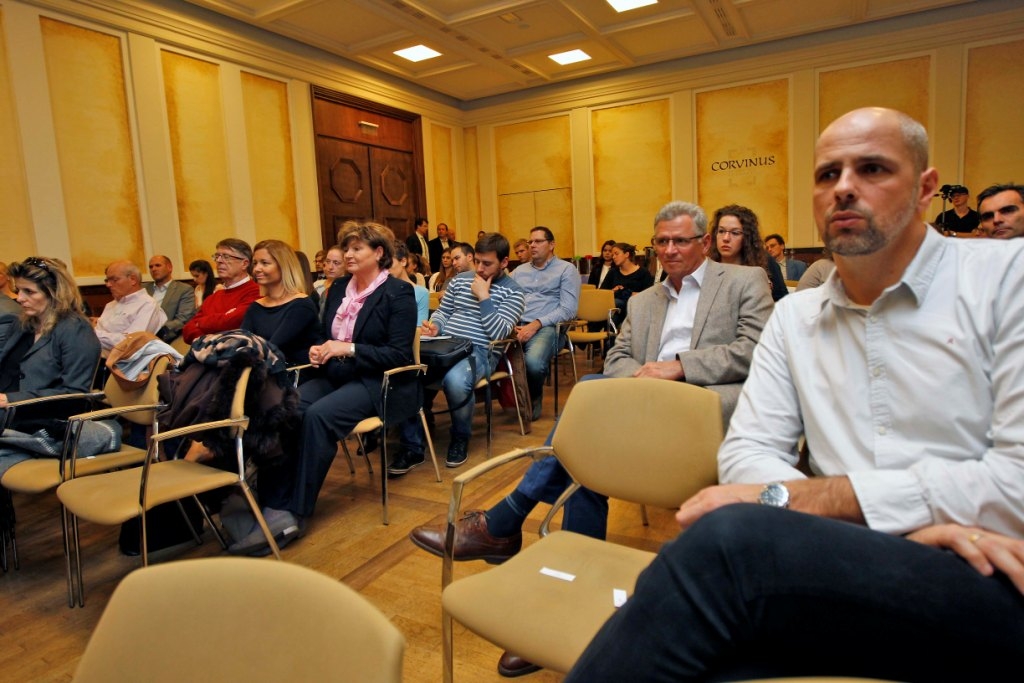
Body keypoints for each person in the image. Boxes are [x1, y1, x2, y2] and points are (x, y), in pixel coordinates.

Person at [563, 107, 1024, 683]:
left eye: (873, 169)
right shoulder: (798, 316)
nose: (844, 188)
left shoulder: (1007, 278)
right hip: (838, 559)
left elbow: (1015, 480)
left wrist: (825, 504)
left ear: (927, 188)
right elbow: (746, 453)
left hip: (993, 565)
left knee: (722, 544)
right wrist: (884, 526)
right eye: (828, 174)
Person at [410, 201, 773, 677]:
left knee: (588, 408)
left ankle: (504, 523)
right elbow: (618, 356)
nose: (669, 250)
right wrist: (642, 384)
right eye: (662, 241)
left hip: (702, 411)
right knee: (586, 451)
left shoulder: (744, 282)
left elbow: (756, 349)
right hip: (638, 405)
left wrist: (678, 368)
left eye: (681, 240)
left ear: (704, 242)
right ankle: (565, 607)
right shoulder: (644, 301)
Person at [227, 221, 418, 555]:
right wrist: (319, 350)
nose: (348, 254)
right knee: (285, 409)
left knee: (317, 416)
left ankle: (294, 512)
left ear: (379, 253)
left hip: (376, 380)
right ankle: (272, 501)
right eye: (346, 248)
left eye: (357, 248)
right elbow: (325, 336)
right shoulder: (339, 287)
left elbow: (399, 354)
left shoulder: (397, 292)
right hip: (335, 374)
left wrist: (349, 348)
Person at [391, 233, 525, 473]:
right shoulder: (459, 281)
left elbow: (498, 333)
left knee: (456, 381)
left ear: (504, 262)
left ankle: (460, 437)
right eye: (478, 262)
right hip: (445, 345)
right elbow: (444, 312)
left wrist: (484, 297)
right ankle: (413, 444)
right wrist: (436, 326)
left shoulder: (514, 292)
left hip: (480, 351)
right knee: (406, 371)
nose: (480, 269)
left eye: (487, 264)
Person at [0, 257, 101, 476]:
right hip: (10, 414)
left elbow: (75, 395)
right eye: (19, 290)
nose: (20, 298)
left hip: (44, 420)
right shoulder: (23, 324)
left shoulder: (75, 329)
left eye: (29, 292)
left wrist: (10, 399)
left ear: (54, 292)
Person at [510, 227, 580, 421]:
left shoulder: (566, 270)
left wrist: (536, 324)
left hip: (547, 328)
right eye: (530, 242)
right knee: (485, 351)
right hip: (516, 325)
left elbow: (568, 310)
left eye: (538, 241)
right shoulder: (518, 272)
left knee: (533, 363)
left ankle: (533, 396)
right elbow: (505, 299)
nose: (532, 245)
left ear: (551, 244)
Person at [240, 240, 320, 366]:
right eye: (255, 263)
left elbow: (274, 346)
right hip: (264, 369)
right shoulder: (256, 307)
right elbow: (244, 342)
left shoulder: (301, 305)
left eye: (265, 263)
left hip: (294, 372)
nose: (256, 269)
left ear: (283, 267)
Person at [182, 239, 260, 343]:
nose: (219, 261)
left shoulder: (256, 292)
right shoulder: (212, 298)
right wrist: (208, 339)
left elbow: (232, 322)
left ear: (244, 264)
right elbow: (187, 330)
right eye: (217, 256)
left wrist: (200, 323)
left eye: (226, 257)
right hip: (205, 350)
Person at [709, 205, 788, 301]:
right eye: (721, 231)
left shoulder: (766, 261)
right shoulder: (706, 266)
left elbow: (783, 301)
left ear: (747, 237)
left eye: (735, 233)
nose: (726, 238)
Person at [93, 260, 167, 352]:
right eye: (107, 280)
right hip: (96, 356)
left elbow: (130, 343)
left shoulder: (147, 305)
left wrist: (92, 334)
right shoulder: (110, 305)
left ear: (133, 279)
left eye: (114, 280)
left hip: (124, 360)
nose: (108, 284)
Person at [601, 242, 654, 327]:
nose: (613, 257)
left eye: (616, 254)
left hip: (637, 310)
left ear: (626, 254)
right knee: (615, 308)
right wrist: (612, 291)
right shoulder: (613, 272)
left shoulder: (643, 273)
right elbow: (602, 293)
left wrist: (628, 292)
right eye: (613, 254)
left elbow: (649, 295)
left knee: (620, 304)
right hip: (615, 309)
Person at [146, 255, 196, 342]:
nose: (153, 269)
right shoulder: (144, 289)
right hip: (139, 335)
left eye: (158, 265)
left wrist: (155, 330)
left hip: (166, 337)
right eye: (151, 267)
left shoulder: (184, 290)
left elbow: (183, 319)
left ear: (169, 268)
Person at [391, 243, 429, 324]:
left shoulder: (421, 292)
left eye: (390, 263)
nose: (386, 269)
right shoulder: (381, 291)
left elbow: (419, 327)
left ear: (403, 261)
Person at [315, 245, 345, 320]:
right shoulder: (325, 292)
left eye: (336, 263)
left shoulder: (350, 290)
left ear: (346, 265)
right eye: (328, 262)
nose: (330, 267)